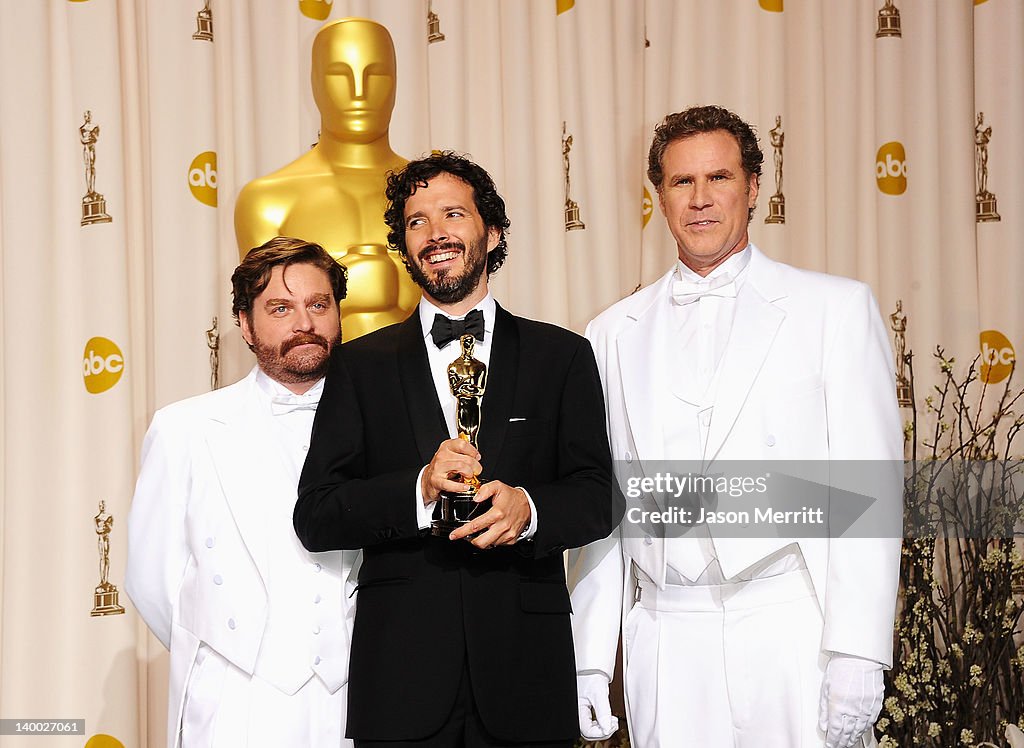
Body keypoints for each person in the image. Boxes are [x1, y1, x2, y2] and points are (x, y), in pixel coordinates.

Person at [568, 105, 902, 748]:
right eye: (680, 182)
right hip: (662, 636)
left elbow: (872, 492)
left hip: (787, 630)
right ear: (659, 197)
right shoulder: (611, 332)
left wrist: (859, 651)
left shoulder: (833, 309)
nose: (700, 200)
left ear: (753, 188)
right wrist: (589, 656)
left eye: (718, 178)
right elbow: (602, 504)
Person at [295, 152, 620, 746]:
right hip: (400, 680)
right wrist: (416, 491)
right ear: (403, 244)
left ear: (491, 231)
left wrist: (529, 510)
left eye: (453, 214)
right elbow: (316, 513)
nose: (436, 233)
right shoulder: (360, 366)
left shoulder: (562, 357)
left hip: (527, 675)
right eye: (417, 221)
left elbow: (599, 498)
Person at [125, 237, 357, 748]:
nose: (304, 323)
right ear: (245, 324)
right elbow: (151, 580)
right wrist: (224, 648)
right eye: (280, 307)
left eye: (318, 305)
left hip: (354, 699)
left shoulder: (385, 427)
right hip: (235, 701)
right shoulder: (184, 428)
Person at [234, 18, 419, 340]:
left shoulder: (431, 192)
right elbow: (270, 320)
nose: (359, 93)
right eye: (339, 74)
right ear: (315, 82)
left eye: (375, 75)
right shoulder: (269, 200)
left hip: (426, 384)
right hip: (316, 386)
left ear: (397, 82)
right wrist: (344, 283)